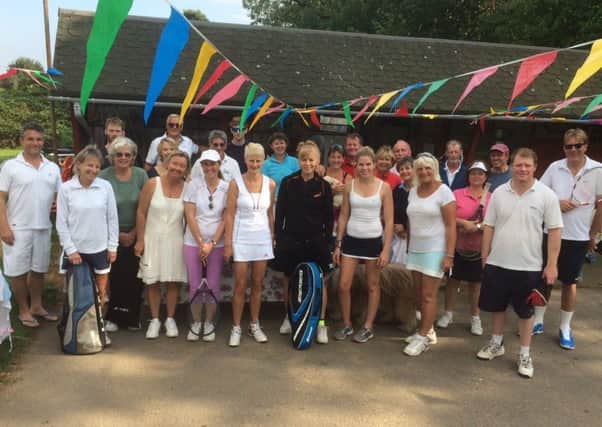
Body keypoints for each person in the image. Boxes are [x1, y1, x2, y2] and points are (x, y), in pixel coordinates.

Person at [477, 148, 562, 379]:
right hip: (498, 262)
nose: (522, 169)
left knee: (526, 313)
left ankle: (525, 354)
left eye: (527, 165)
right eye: (518, 165)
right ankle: (496, 343)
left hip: (529, 266)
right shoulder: (498, 193)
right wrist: (485, 256)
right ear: (511, 166)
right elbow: (489, 226)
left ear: (535, 167)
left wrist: (552, 264)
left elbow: (555, 231)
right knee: (496, 307)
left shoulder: (546, 195)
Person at [537, 129, 602, 349]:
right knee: (544, 277)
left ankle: (565, 327)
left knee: (570, 283)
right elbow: (539, 193)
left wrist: (593, 234)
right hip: (551, 232)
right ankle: (537, 320)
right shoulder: (555, 167)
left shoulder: (598, 170)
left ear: (586, 146)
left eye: (578, 145)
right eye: (568, 146)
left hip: (578, 236)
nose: (573, 150)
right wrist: (557, 202)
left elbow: (601, 206)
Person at [0, 123, 61, 328]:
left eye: (38, 139)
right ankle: (23, 310)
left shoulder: (52, 168)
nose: (35, 143)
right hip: (17, 226)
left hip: (43, 227)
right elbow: (1, 198)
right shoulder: (10, 167)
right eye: (30, 139)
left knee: (38, 269)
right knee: (18, 271)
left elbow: (61, 197)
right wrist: (4, 227)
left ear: (43, 141)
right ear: (22, 141)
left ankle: (36, 306)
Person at [56, 145, 119, 343]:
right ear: (79, 164)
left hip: (100, 249)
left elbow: (112, 218)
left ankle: (98, 331)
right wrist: (71, 250)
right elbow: (61, 223)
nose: (93, 170)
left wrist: (112, 246)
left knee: (101, 294)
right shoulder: (66, 189)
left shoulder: (105, 186)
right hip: (76, 252)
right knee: (74, 293)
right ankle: (73, 331)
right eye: (89, 165)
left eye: (97, 166)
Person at [274, 141, 333, 343]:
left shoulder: (324, 186)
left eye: (311, 160)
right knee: (289, 280)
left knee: (320, 282)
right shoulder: (288, 182)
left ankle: (321, 323)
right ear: (298, 160)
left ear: (317, 162)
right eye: (303, 159)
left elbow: (329, 219)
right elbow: (279, 212)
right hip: (291, 241)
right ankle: (289, 318)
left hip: (316, 242)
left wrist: (328, 243)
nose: (307, 163)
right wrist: (279, 238)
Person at [333, 146, 393, 343]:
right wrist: (338, 244)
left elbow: (389, 221)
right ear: (355, 166)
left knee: (373, 285)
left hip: (373, 242)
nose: (365, 168)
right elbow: (343, 216)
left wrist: (385, 249)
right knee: (343, 285)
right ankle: (347, 324)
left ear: (374, 165)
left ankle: (368, 326)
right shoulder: (350, 185)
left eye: (368, 164)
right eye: (361, 164)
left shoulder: (383, 187)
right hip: (351, 240)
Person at [403, 153, 456, 356]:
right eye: (420, 168)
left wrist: (449, 256)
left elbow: (451, 226)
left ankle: (423, 336)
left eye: (428, 168)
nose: (424, 172)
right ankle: (427, 330)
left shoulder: (444, 192)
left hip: (435, 249)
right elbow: (411, 222)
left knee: (428, 295)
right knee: (418, 294)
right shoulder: (413, 192)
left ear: (435, 170)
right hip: (415, 249)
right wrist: (408, 247)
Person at [224, 143, 276, 347]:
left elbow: (270, 213)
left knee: (257, 284)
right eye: (251, 160)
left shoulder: (271, 184)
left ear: (263, 161)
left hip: (262, 238)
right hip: (240, 238)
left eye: (258, 160)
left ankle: (254, 324)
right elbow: (229, 214)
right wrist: (228, 243)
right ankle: (236, 326)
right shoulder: (235, 183)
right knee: (239, 285)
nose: (255, 164)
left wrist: (272, 235)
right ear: (245, 160)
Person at [135, 151, 189, 339]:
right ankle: (155, 319)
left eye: (182, 166)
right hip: (152, 238)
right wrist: (140, 240)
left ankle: (170, 319)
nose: (177, 168)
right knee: (153, 281)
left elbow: (189, 218)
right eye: (174, 164)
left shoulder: (187, 188)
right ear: (167, 163)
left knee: (173, 281)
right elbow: (141, 212)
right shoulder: (152, 184)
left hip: (176, 240)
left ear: (186, 169)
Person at [436, 161, 491, 336]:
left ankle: (475, 318)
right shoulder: (457, 194)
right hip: (457, 246)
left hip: (479, 248)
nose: (476, 176)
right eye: (473, 173)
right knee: (452, 282)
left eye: (480, 174)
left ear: (485, 177)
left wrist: (479, 227)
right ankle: (448, 314)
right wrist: (464, 223)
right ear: (468, 176)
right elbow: (447, 216)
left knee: (476, 286)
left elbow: (494, 220)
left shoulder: (491, 197)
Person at [99, 137, 148, 332]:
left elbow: (146, 207)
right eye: (119, 154)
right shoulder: (103, 176)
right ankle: (114, 316)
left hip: (137, 233)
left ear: (134, 157)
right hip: (111, 235)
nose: (123, 158)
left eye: (128, 155)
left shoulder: (141, 175)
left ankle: (133, 317)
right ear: (112, 156)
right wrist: (118, 234)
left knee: (136, 277)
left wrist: (135, 233)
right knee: (116, 277)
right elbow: (99, 209)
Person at [183, 149, 228, 342]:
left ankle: (209, 322)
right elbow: (190, 215)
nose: (209, 168)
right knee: (194, 285)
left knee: (213, 285)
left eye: (213, 164)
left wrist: (212, 243)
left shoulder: (227, 187)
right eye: (205, 164)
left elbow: (226, 218)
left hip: (216, 244)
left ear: (219, 166)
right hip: (193, 242)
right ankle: (196, 322)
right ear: (201, 166)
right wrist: (201, 242)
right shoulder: (193, 185)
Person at [323, 144, 352, 236]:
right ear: (328, 158)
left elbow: (350, 203)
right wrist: (332, 191)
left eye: (339, 157)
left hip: (339, 219)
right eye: (333, 157)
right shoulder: (321, 173)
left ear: (343, 159)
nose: (336, 160)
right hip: (321, 217)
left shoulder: (348, 178)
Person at [390, 156, 414, 266]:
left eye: (408, 168)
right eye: (401, 169)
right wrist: (396, 226)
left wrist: (405, 227)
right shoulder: (397, 190)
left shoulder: (420, 190)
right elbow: (392, 210)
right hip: (398, 236)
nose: (405, 171)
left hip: (414, 237)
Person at [261, 132, 300, 196]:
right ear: (271, 146)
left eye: (282, 143)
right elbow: (263, 186)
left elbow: (299, 183)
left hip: (292, 200)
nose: (279, 146)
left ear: (286, 144)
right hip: (273, 201)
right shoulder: (265, 164)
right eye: (276, 144)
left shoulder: (295, 162)